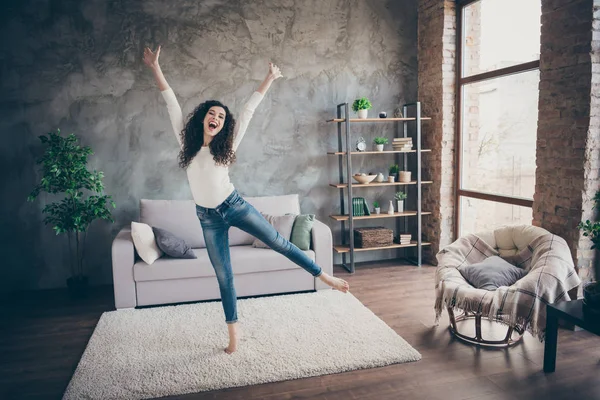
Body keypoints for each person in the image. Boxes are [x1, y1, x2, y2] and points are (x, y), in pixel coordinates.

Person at [143, 46, 349, 354]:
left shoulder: (226, 146)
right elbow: (171, 104)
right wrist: (156, 68)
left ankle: (324, 277)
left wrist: (269, 78)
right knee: (224, 277)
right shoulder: (187, 142)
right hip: (208, 218)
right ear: (202, 118)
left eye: (221, 116)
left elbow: (250, 109)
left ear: (225, 125)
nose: (216, 117)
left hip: (235, 206)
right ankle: (233, 336)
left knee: (280, 243)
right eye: (211, 113)